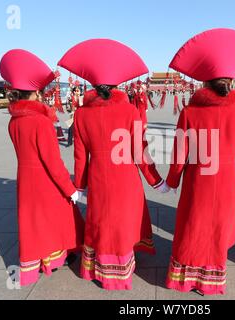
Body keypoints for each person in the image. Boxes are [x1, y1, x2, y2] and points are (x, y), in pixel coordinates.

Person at [58, 39, 167, 290]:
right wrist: (156, 181)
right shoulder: (129, 111)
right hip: (125, 175)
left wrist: (79, 186)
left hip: (97, 176)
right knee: (124, 219)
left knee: (102, 221)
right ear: (117, 84)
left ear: (94, 85)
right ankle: (123, 261)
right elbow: (140, 151)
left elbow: (79, 155)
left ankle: (103, 266)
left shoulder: (83, 114)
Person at [164, 28, 235, 295]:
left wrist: (172, 181)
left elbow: (179, 154)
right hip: (226, 182)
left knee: (193, 226)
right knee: (218, 229)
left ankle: (185, 277)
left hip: (198, 181)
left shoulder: (190, 112)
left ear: (204, 82)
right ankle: (212, 279)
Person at [0, 49, 84, 287]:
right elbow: (52, 161)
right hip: (46, 180)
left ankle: (43, 260)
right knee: (60, 217)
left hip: (26, 178)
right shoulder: (40, 122)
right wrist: (70, 189)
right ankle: (58, 257)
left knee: (35, 222)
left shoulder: (14, 121)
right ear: (36, 93)